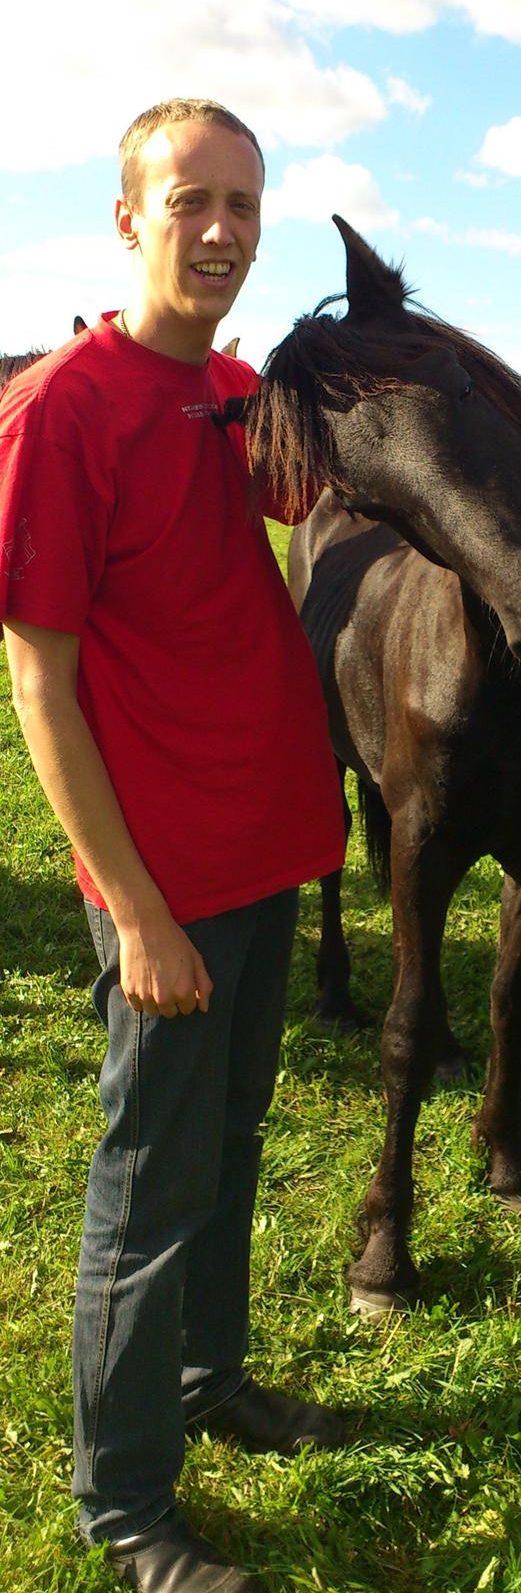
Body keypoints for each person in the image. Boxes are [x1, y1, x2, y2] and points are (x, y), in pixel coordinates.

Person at [0, 99, 347, 1593]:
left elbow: (321, 492)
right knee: (149, 1184)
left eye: (245, 208)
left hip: (267, 844)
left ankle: (208, 1379)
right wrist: (132, 909)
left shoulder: (229, 387)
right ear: (130, 217)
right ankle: (127, 1506)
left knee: (234, 1145)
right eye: (191, 201)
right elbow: (41, 683)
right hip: (169, 881)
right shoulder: (61, 413)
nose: (221, 231)